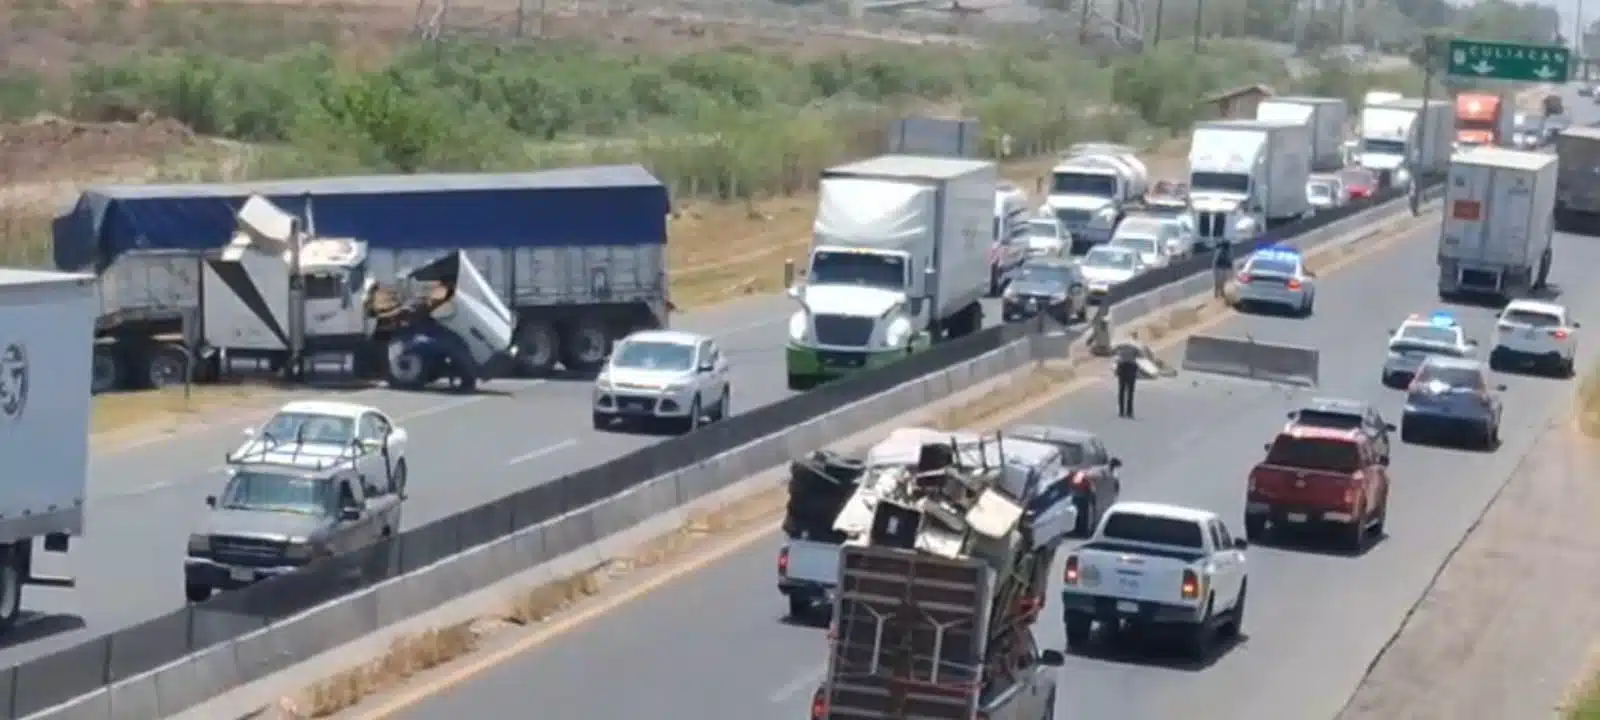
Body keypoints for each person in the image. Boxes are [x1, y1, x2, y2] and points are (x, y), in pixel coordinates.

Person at [1113, 339, 1140, 418]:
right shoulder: (1135, 348)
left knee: (1121, 391)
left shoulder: (1120, 347)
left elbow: (1114, 352)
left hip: (1122, 368)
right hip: (1131, 368)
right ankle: (1129, 412)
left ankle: (1121, 412)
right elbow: (1139, 355)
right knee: (1130, 392)